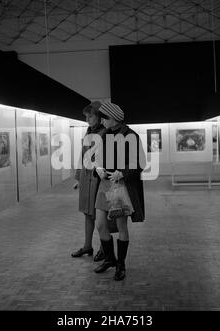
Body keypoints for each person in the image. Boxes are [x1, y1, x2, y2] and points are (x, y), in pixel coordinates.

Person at [93, 102, 146, 281]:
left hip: (120, 186)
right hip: (104, 185)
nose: (101, 120)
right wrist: (97, 168)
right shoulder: (103, 135)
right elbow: (96, 159)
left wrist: (122, 172)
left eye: (104, 117)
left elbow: (139, 164)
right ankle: (110, 259)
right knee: (100, 224)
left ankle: (121, 265)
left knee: (122, 226)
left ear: (113, 118)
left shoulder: (131, 136)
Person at [71, 101, 106, 262]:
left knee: (99, 216)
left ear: (98, 116)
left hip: (97, 178)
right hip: (87, 178)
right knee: (87, 213)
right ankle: (87, 246)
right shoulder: (89, 131)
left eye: (90, 116)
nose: (88, 119)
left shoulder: (105, 133)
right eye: (86, 116)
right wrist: (79, 178)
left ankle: (103, 249)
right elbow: (83, 155)